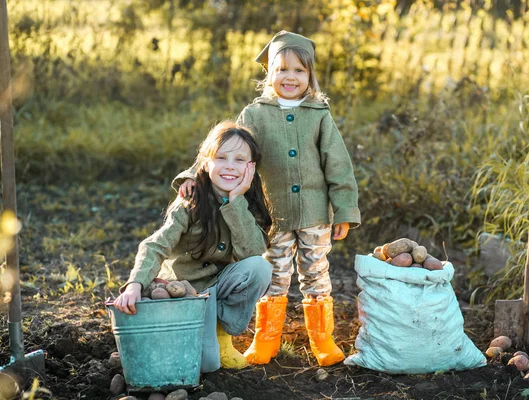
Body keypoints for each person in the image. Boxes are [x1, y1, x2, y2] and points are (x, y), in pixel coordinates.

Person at [174, 31, 360, 367]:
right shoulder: (254, 114)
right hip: (271, 215)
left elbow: (338, 163)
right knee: (274, 273)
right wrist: (192, 173)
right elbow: (226, 150)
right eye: (282, 69)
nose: (290, 77)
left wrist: (345, 208)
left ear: (310, 76)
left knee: (316, 273)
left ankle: (322, 339)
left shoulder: (319, 114)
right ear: (269, 73)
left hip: (315, 213)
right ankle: (266, 339)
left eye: (299, 71)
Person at [114, 121, 273, 371]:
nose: (230, 166)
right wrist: (135, 284)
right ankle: (185, 330)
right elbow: (156, 245)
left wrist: (235, 201)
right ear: (206, 163)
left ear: (251, 167)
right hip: (187, 291)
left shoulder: (248, 204)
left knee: (260, 268)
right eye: (221, 157)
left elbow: (252, 252)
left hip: (220, 285)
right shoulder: (190, 202)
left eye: (240, 160)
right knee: (207, 365)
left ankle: (222, 333)